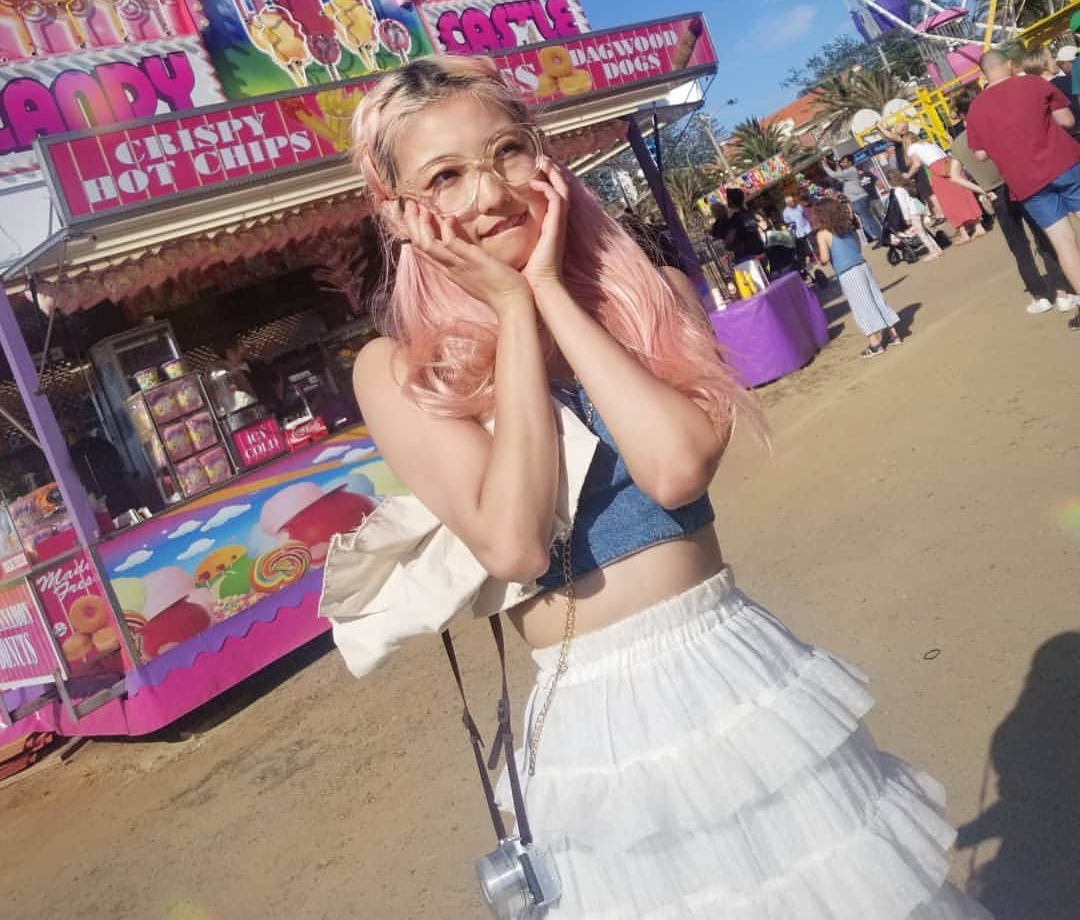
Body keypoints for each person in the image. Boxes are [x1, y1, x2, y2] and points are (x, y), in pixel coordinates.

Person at [328, 54, 989, 918]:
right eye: (445, 177)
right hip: (596, 717)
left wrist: (548, 295)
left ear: (545, 157)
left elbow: (674, 469)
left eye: (506, 153)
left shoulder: (654, 297)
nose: (489, 194)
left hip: (734, 665)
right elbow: (516, 542)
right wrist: (513, 317)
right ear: (399, 210)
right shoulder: (401, 370)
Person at [966, 48, 1080, 329]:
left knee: (1064, 244)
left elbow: (979, 155)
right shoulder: (1032, 83)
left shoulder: (976, 109)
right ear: (1008, 65)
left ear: (984, 74)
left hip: (1026, 183)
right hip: (1064, 163)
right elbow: (1067, 120)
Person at [812, 195, 902, 357]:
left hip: (847, 272)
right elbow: (858, 246)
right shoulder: (846, 226)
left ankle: (875, 344)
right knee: (875, 297)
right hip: (862, 265)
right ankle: (894, 333)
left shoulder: (823, 233)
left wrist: (820, 261)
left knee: (861, 305)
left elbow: (824, 259)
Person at [903, 131, 986, 244]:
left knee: (947, 202)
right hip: (949, 163)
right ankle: (978, 227)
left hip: (937, 169)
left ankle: (963, 234)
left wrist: (907, 175)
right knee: (964, 194)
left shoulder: (912, 148)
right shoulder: (928, 143)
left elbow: (916, 164)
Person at [821, 153, 881, 243]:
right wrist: (837, 165)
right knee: (866, 221)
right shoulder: (847, 172)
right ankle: (877, 237)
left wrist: (825, 166)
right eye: (842, 162)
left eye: (844, 162)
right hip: (856, 199)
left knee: (868, 220)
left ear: (850, 163)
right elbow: (839, 178)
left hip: (859, 199)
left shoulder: (851, 170)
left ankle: (880, 237)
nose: (842, 164)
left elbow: (834, 175)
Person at [884, 171, 944, 259]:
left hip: (913, 212)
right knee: (924, 231)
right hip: (919, 208)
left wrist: (906, 218)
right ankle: (938, 249)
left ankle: (933, 251)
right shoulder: (905, 185)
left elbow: (903, 205)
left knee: (921, 233)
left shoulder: (897, 190)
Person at [782, 191, 815, 274]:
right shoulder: (785, 212)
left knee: (812, 242)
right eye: (792, 201)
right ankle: (810, 258)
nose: (794, 202)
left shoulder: (799, 206)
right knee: (804, 246)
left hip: (806, 227)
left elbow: (804, 215)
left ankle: (815, 255)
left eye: (794, 201)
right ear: (788, 203)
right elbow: (787, 223)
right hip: (798, 232)